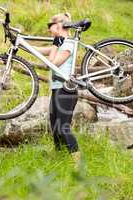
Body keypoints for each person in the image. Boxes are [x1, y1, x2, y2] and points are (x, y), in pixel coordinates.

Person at [34, 13, 80, 162]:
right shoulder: (60, 43)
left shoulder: (68, 44)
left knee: (63, 127)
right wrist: (19, 42)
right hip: (57, 90)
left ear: (60, 25)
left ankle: (77, 163)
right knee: (55, 127)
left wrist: (54, 45)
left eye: (50, 25)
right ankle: (59, 159)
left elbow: (53, 63)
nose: (48, 29)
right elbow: (36, 50)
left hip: (66, 90)